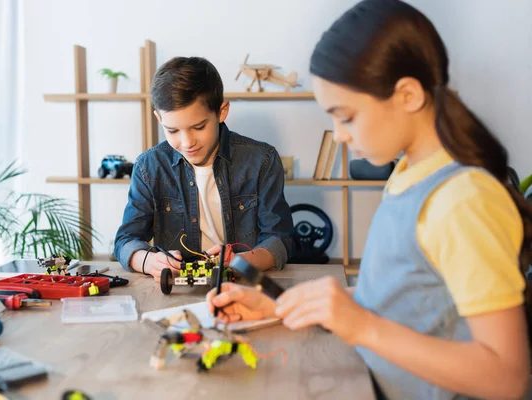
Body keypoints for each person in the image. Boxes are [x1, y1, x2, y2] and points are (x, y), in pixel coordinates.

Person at [207, 0, 532, 398]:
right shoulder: (408, 175)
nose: (339, 134)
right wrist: (280, 306)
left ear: (408, 94)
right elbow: (404, 300)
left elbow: (507, 378)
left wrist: (361, 325)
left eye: (345, 116)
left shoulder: (462, 200)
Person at [114, 56, 294, 281]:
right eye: (172, 131)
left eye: (198, 127)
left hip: (241, 286)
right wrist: (149, 261)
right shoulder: (148, 167)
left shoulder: (262, 160)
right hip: (175, 291)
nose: (187, 142)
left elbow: (281, 240)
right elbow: (125, 241)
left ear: (222, 111)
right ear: (159, 119)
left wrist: (241, 261)